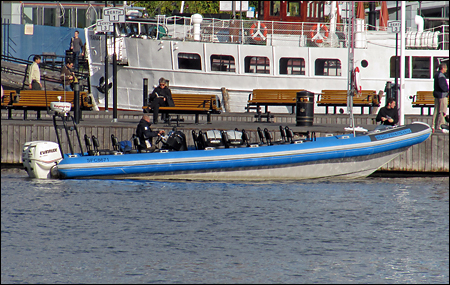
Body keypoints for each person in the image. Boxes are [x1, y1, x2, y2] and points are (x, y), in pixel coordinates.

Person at [432, 63, 449, 133]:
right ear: (443, 68)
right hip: (442, 96)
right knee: (442, 111)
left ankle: (434, 125)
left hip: (437, 95)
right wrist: (447, 90)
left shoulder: (437, 75)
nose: (446, 69)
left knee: (436, 111)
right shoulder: (441, 76)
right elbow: (442, 86)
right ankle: (441, 126)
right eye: (446, 68)